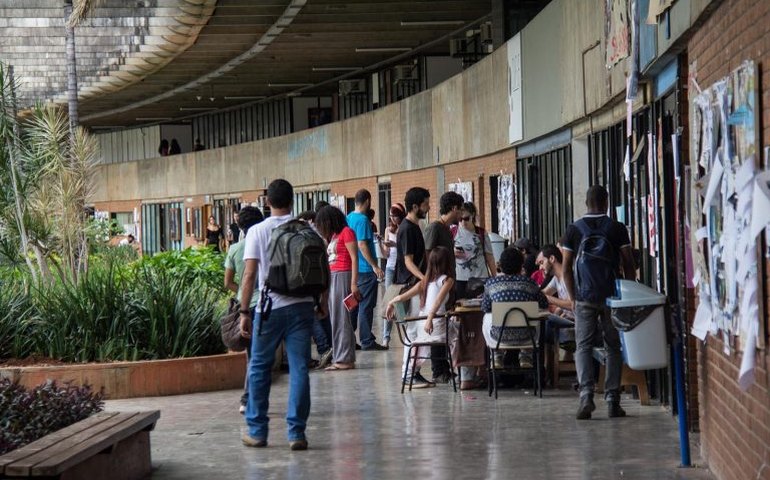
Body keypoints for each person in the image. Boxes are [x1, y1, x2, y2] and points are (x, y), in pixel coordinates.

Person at [239, 179, 320, 451]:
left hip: (269, 307)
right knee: (299, 368)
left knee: (259, 368)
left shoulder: (257, 231)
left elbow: (249, 274)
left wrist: (243, 311)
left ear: (267, 202)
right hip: (302, 306)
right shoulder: (307, 229)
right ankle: (296, 433)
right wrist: (321, 302)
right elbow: (321, 269)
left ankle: (257, 431)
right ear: (292, 200)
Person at [562, 185, 636, 420]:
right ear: (606, 202)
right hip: (612, 297)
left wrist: (572, 297)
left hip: (584, 297)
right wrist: (628, 291)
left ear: (586, 202)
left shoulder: (574, 230)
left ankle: (586, 396)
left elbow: (565, 268)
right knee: (613, 346)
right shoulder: (616, 228)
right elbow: (628, 262)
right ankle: (613, 399)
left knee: (583, 346)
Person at [386, 246, 455, 384]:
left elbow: (403, 296)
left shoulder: (424, 282)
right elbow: (438, 301)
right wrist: (430, 318)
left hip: (421, 328)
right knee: (460, 333)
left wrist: (391, 302)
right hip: (434, 325)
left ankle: (422, 371)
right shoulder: (447, 280)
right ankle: (462, 372)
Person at [223, 206, 264, 414]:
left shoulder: (235, 249)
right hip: (263, 305)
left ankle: (249, 399)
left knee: (252, 354)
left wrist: (241, 292)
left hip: (244, 305)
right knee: (258, 356)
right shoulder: (266, 245)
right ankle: (249, 399)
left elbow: (227, 282)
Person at [481, 247, 549, 369]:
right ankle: (525, 355)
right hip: (527, 337)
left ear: (500, 266)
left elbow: (485, 307)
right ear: (521, 265)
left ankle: (496, 356)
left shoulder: (491, 284)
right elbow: (544, 303)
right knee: (536, 316)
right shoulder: (530, 283)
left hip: (499, 337)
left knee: (487, 315)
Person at [393, 187, 432, 387]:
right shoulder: (408, 229)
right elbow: (408, 261)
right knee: (413, 332)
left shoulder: (415, 226)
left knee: (417, 332)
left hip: (416, 285)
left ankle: (413, 372)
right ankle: (408, 374)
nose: (428, 207)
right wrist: (423, 278)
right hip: (411, 287)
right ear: (415, 206)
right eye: (425, 204)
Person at [423, 191, 464, 384]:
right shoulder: (435, 228)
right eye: (460, 209)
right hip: (439, 284)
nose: (462, 214)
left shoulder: (447, 229)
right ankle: (438, 369)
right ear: (454, 208)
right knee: (437, 329)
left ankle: (444, 367)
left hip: (447, 284)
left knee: (444, 326)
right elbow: (429, 255)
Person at [315, 205, 359, 371]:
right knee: (336, 317)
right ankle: (341, 356)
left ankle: (344, 358)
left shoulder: (347, 232)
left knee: (342, 318)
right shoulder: (334, 235)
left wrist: (353, 283)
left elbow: (354, 258)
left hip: (343, 275)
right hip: (334, 276)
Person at [346, 189, 386, 350]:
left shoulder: (348, 217)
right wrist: (375, 266)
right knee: (366, 305)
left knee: (354, 305)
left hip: (354, 270)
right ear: (368, 201)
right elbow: (362, 245)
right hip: (365, 270)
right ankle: (366, 340)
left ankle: (349, 338)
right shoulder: (363, 220)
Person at [452, 201, 496, 299]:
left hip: (479, 277)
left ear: (473, 216)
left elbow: (489, 257)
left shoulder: (481, 232)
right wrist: (452, 252)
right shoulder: (453, 232)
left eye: (466, 219)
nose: (463, 222)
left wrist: (495, 277)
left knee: (480, 307)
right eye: (460, 219)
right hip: (460, 278)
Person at [536, 244, 576, 344]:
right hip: (568, 319)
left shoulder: (569, 276)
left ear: (552, 259)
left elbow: (573, 305)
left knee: (546, 325)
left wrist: (549, 298)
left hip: (578, 320)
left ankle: (545, 359)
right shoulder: (555, 278)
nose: (540, 267)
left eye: (542, 262)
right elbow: (543, 293)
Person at [378, 203, 406, 348]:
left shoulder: (405, 227)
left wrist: (395, 245)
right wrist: (381, 244)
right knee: (388, 299)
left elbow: (405, 248)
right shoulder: (388, 229)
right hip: (390, 267)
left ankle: (405, 331)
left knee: (401, 299)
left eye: (395, 216)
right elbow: (385, 254)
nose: (393, 219)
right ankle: (386, 337)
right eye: (391, 216)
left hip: (402, 267)